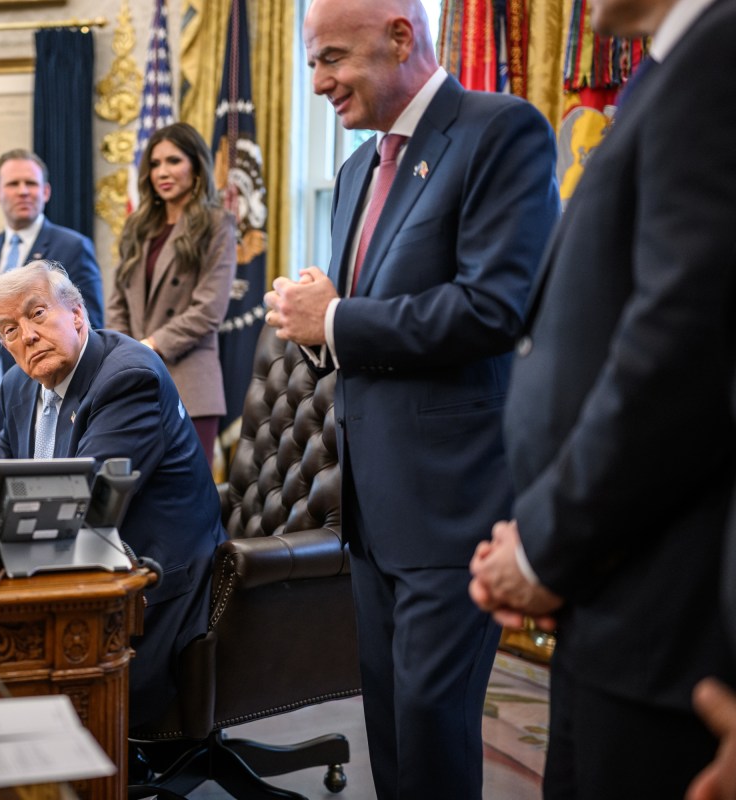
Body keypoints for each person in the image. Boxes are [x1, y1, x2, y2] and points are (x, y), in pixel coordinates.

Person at [263, 0, 560, 794]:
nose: (320, 80)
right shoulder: (358, 167)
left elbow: (497, 306)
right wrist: (323, 329)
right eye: (313, 63)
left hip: (452, 498)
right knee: (390, 730)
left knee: (433, 731)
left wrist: (334, 317)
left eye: (332, 58)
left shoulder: (502, 131)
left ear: (402, 37)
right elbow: (365, 326)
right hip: (371, 500)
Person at [466, 0, 736, 793]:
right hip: (612, 584)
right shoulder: (670, 68)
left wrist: (549, 546)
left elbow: (684, 346)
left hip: (667, 618)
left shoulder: (720, 51)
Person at [0, 261, 223, 728]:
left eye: (37, 314)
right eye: (10, 330)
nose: (27, 336)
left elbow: (82, 495)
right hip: (79, 565)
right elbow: (7, 448)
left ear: (76, 313)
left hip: (150, 584)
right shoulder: (20, 383)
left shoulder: (127, 376)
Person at [0, 149, 104, 449]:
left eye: (32, 183)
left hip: (52, 393)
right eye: (13, 184)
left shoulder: (73, 246)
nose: (23, 191)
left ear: (46, 191)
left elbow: (90, 324)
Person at [107, 122, 236, 466]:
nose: (162, 172)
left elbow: (209, 310)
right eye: (155, 163)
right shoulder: (138, 226)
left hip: (189, 383)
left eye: (174, 161)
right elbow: (118, 299)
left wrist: (147, 347)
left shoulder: (217, 224)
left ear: (196, 167)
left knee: (187, 495)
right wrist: (123, 352)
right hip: (132, 381)